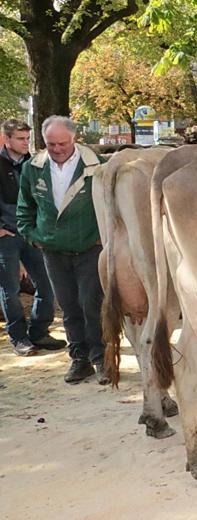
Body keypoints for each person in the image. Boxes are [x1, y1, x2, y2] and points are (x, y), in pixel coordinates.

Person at [16, 116, 107, 384]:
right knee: (68, 307)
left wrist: (104, 238)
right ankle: (79, 359)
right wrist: (34, 237)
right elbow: (25, 208)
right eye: (51, 144)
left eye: (62, 143)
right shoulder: (33, 168)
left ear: (74, 138)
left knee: (93, 304)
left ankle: (101, 358)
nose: (57, 149)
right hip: (53, 251)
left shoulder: (96, 166)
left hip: (91, 248)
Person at [0, 120, 60, 356]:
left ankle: (39, 331)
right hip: (6, 237)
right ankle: (19, 338)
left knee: (46, 284)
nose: (26, 143)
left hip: (32, 234)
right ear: (7, 139)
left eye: (27, 138)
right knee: (10, 290)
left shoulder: (34, 164)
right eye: (20, 139)